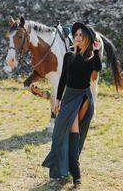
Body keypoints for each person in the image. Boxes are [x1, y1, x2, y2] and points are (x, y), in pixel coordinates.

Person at [42, 22, 102, 189]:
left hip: (82, 98)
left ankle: (74, 176)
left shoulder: (91, 57)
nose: (78, 37)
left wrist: (96, 51)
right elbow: (63, 80)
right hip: (68, 97)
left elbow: (97, 69)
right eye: (76, 35)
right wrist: (58, 101)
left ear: (88, 38)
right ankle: (68, 172)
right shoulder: (68, 56)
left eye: (81, 35)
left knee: (73, 134)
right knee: (60, 135)